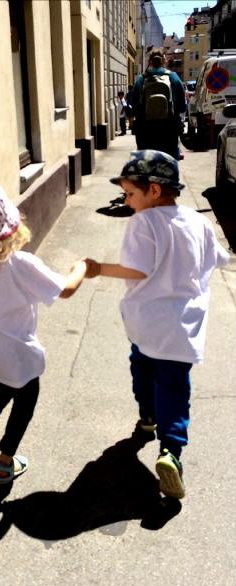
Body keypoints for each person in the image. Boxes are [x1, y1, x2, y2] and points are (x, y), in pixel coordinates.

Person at [85, 150, 229, 499]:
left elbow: (138, 270)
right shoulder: (198, 222)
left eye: (129, 194)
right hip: (182, 330)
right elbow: (220, 259)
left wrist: (98, 268)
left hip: (147, 324)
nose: (126, 201)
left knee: (143, 372)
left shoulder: (143, 222)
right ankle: (171, 452)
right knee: (175, 390)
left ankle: (147, 418)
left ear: (153, 190)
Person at [0, 182, 89, 484]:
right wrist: (82, 268)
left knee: (9, 381)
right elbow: (65, 289)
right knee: (26, 395)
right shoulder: (18, 265)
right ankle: (5, 463)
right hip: (17, 351)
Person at [131, 48, 186, 159]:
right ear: (164, 61)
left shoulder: (141, 79)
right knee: (170, 162)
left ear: (150, 61)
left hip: (145, 133)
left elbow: (133, 104)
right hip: (169, 132)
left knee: (145, 163)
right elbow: (182, 107)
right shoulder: (174, 77)